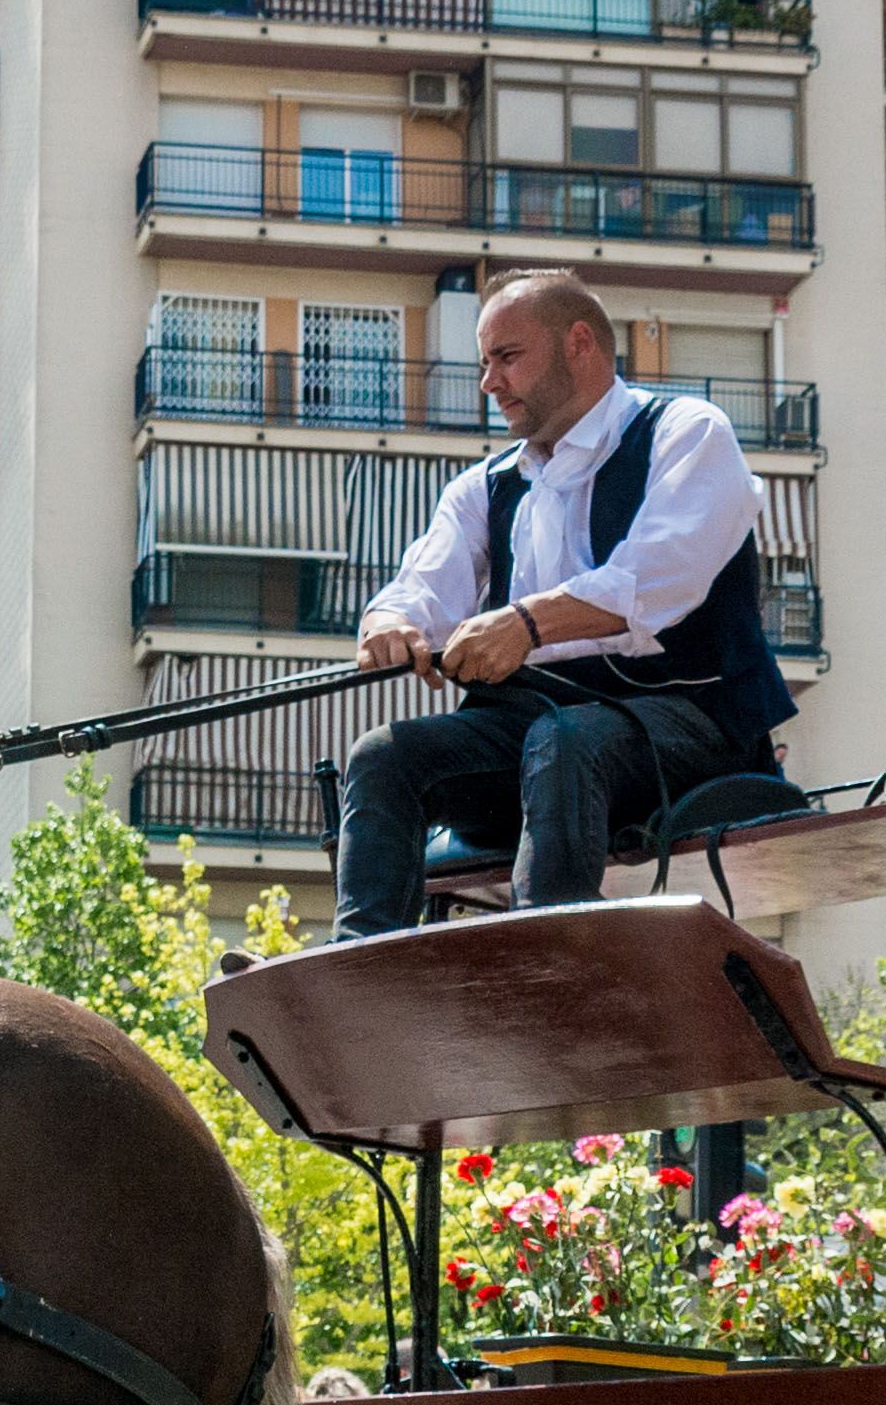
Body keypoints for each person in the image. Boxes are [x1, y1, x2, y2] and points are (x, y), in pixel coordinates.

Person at [328, 272, 789, 940]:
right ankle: (359, 970)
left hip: (693, 730)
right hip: (538, 737)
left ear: (580, 343)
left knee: (565, 741)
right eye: (485, 362)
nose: (489, 381)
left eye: (506, 357)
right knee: (384, 756)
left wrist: (527, 623)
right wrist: (389, 623)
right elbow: (423, 586)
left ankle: (549, 963)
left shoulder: (687, 432)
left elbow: (659, 575)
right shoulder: (483, 487)